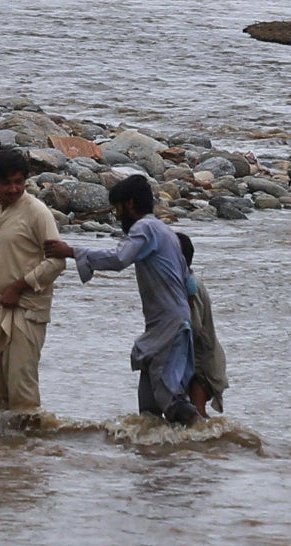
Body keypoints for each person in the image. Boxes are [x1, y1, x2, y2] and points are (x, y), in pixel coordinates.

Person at [73, 174, 200, 422]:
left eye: (117, 209)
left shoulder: (145, 228)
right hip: (170, 324)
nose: (118, 216)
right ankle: (160, 458)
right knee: (148, 412)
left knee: (172, 401)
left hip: (167, 326)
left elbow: (120, 258)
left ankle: (211, 443)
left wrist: (73, 252)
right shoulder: (167, 231)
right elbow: (190, 284)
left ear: (129, 204)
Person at [0, 147, 65, 412]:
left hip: (27, 311)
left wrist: (19, 286)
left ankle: (32, 446)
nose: (13, 189)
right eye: (6, 183)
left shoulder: (37, 212)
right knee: (2, 392)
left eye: (19, 182)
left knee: (22, 391)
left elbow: (57, 261)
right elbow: (1, 250)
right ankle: (11, 452)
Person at [177, 230, 229, 415]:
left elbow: (195, 327)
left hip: (203, 361)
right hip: (201, 358)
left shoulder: (191, 287)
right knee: (192, 417)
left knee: (196, 416)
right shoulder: (187, 283)